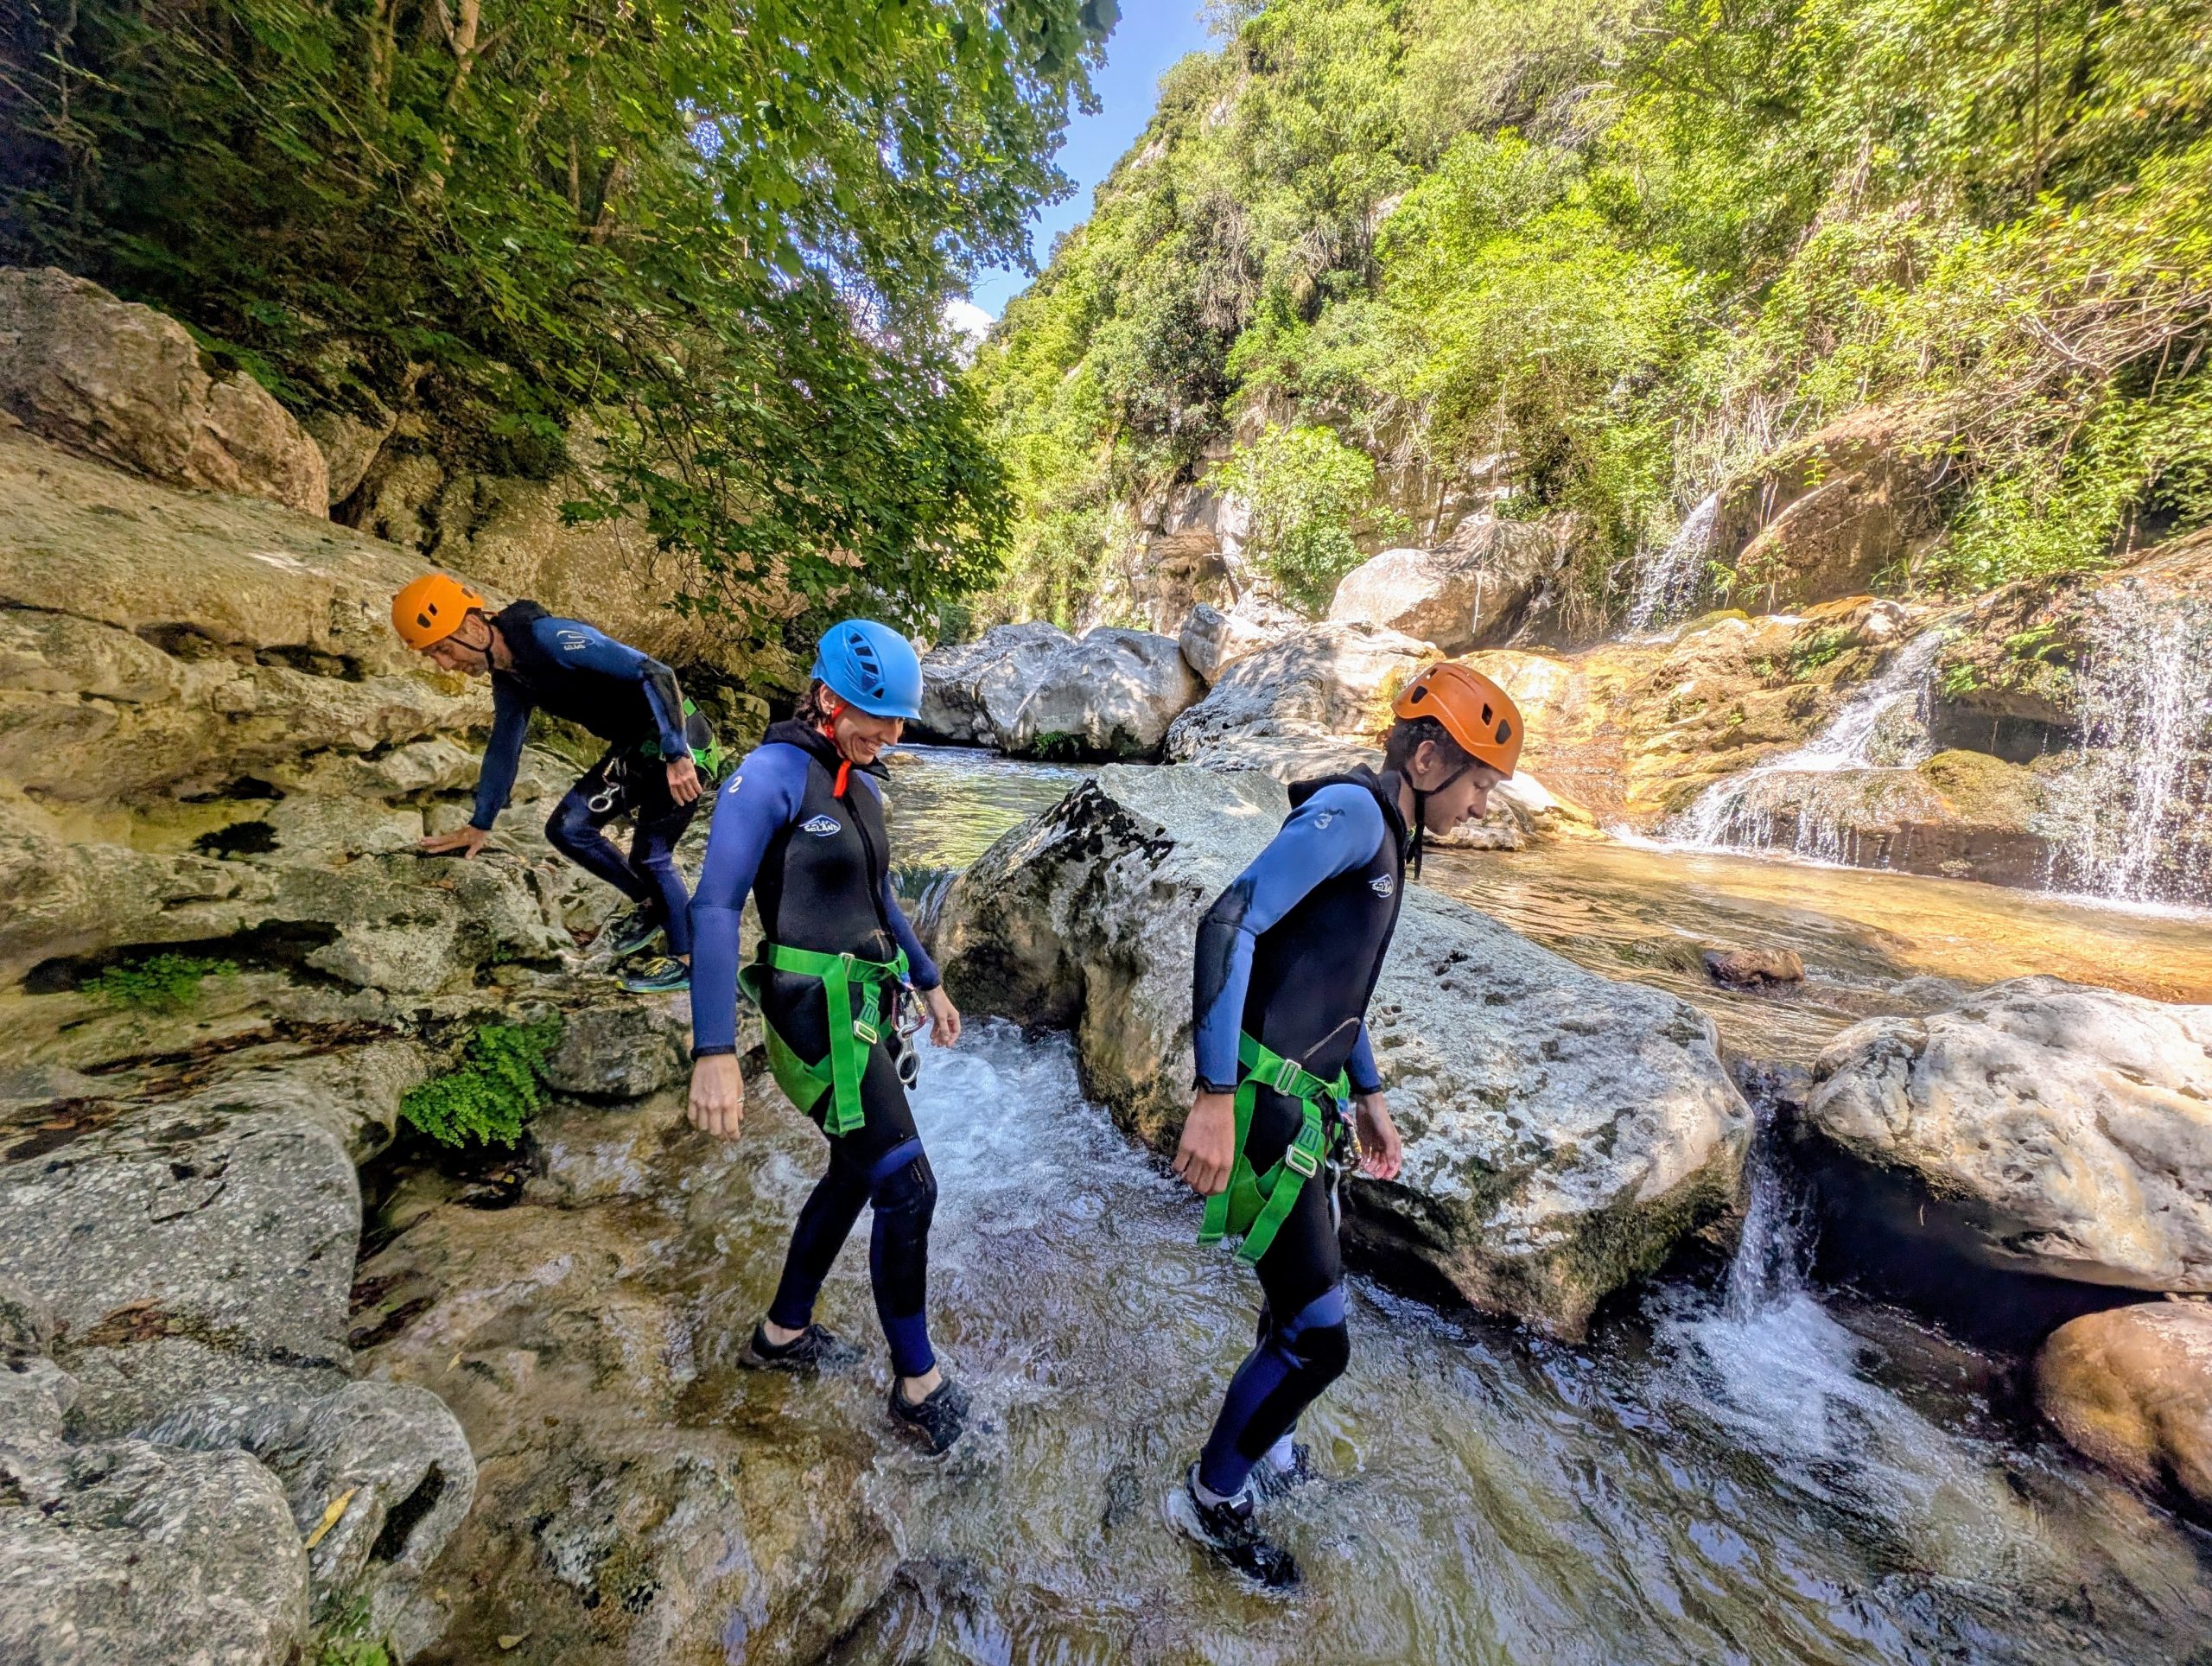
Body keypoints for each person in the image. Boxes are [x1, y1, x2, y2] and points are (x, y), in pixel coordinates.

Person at [1163, 660, 1526, 1587]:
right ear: (1429, 758)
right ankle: (1211, 1497)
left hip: (1306, 1102)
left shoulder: (1391, 835)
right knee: (1319, 1337)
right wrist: (1213, 1095)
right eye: (1481, 784)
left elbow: (1335, 983)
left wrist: (1369, 1094)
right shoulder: (1356, 816)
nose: (1482, 806)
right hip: (1260, 1101)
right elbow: (1228, 921)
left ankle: (1273, 1447)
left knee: (1294, 1308)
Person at [684, 619, 971, 1453]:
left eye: (900, 721)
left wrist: (928, 980)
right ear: (827, 698)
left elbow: (880, 900)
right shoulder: (769, 776)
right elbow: (713, 907)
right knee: (908, 1188)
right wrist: (713, 1052)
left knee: (855, 1173)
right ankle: (918, 1387)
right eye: (878, 719)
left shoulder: (863, 787)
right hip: (811, 1013)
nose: (893, 736)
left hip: (863, 1007)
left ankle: (782, 1334)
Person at [391, 574, 716, 995]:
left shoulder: (550, 637)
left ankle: (690, 961)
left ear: (472, 627)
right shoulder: (511, 676)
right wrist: (480, 823)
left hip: (684, 743)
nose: (446, 664)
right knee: (568, 829)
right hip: (636, 748)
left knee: (651, 855)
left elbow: (655, 672)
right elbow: (504, 747)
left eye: (444, 649)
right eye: (434, 655)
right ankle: (654, 906)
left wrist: (676, 754)